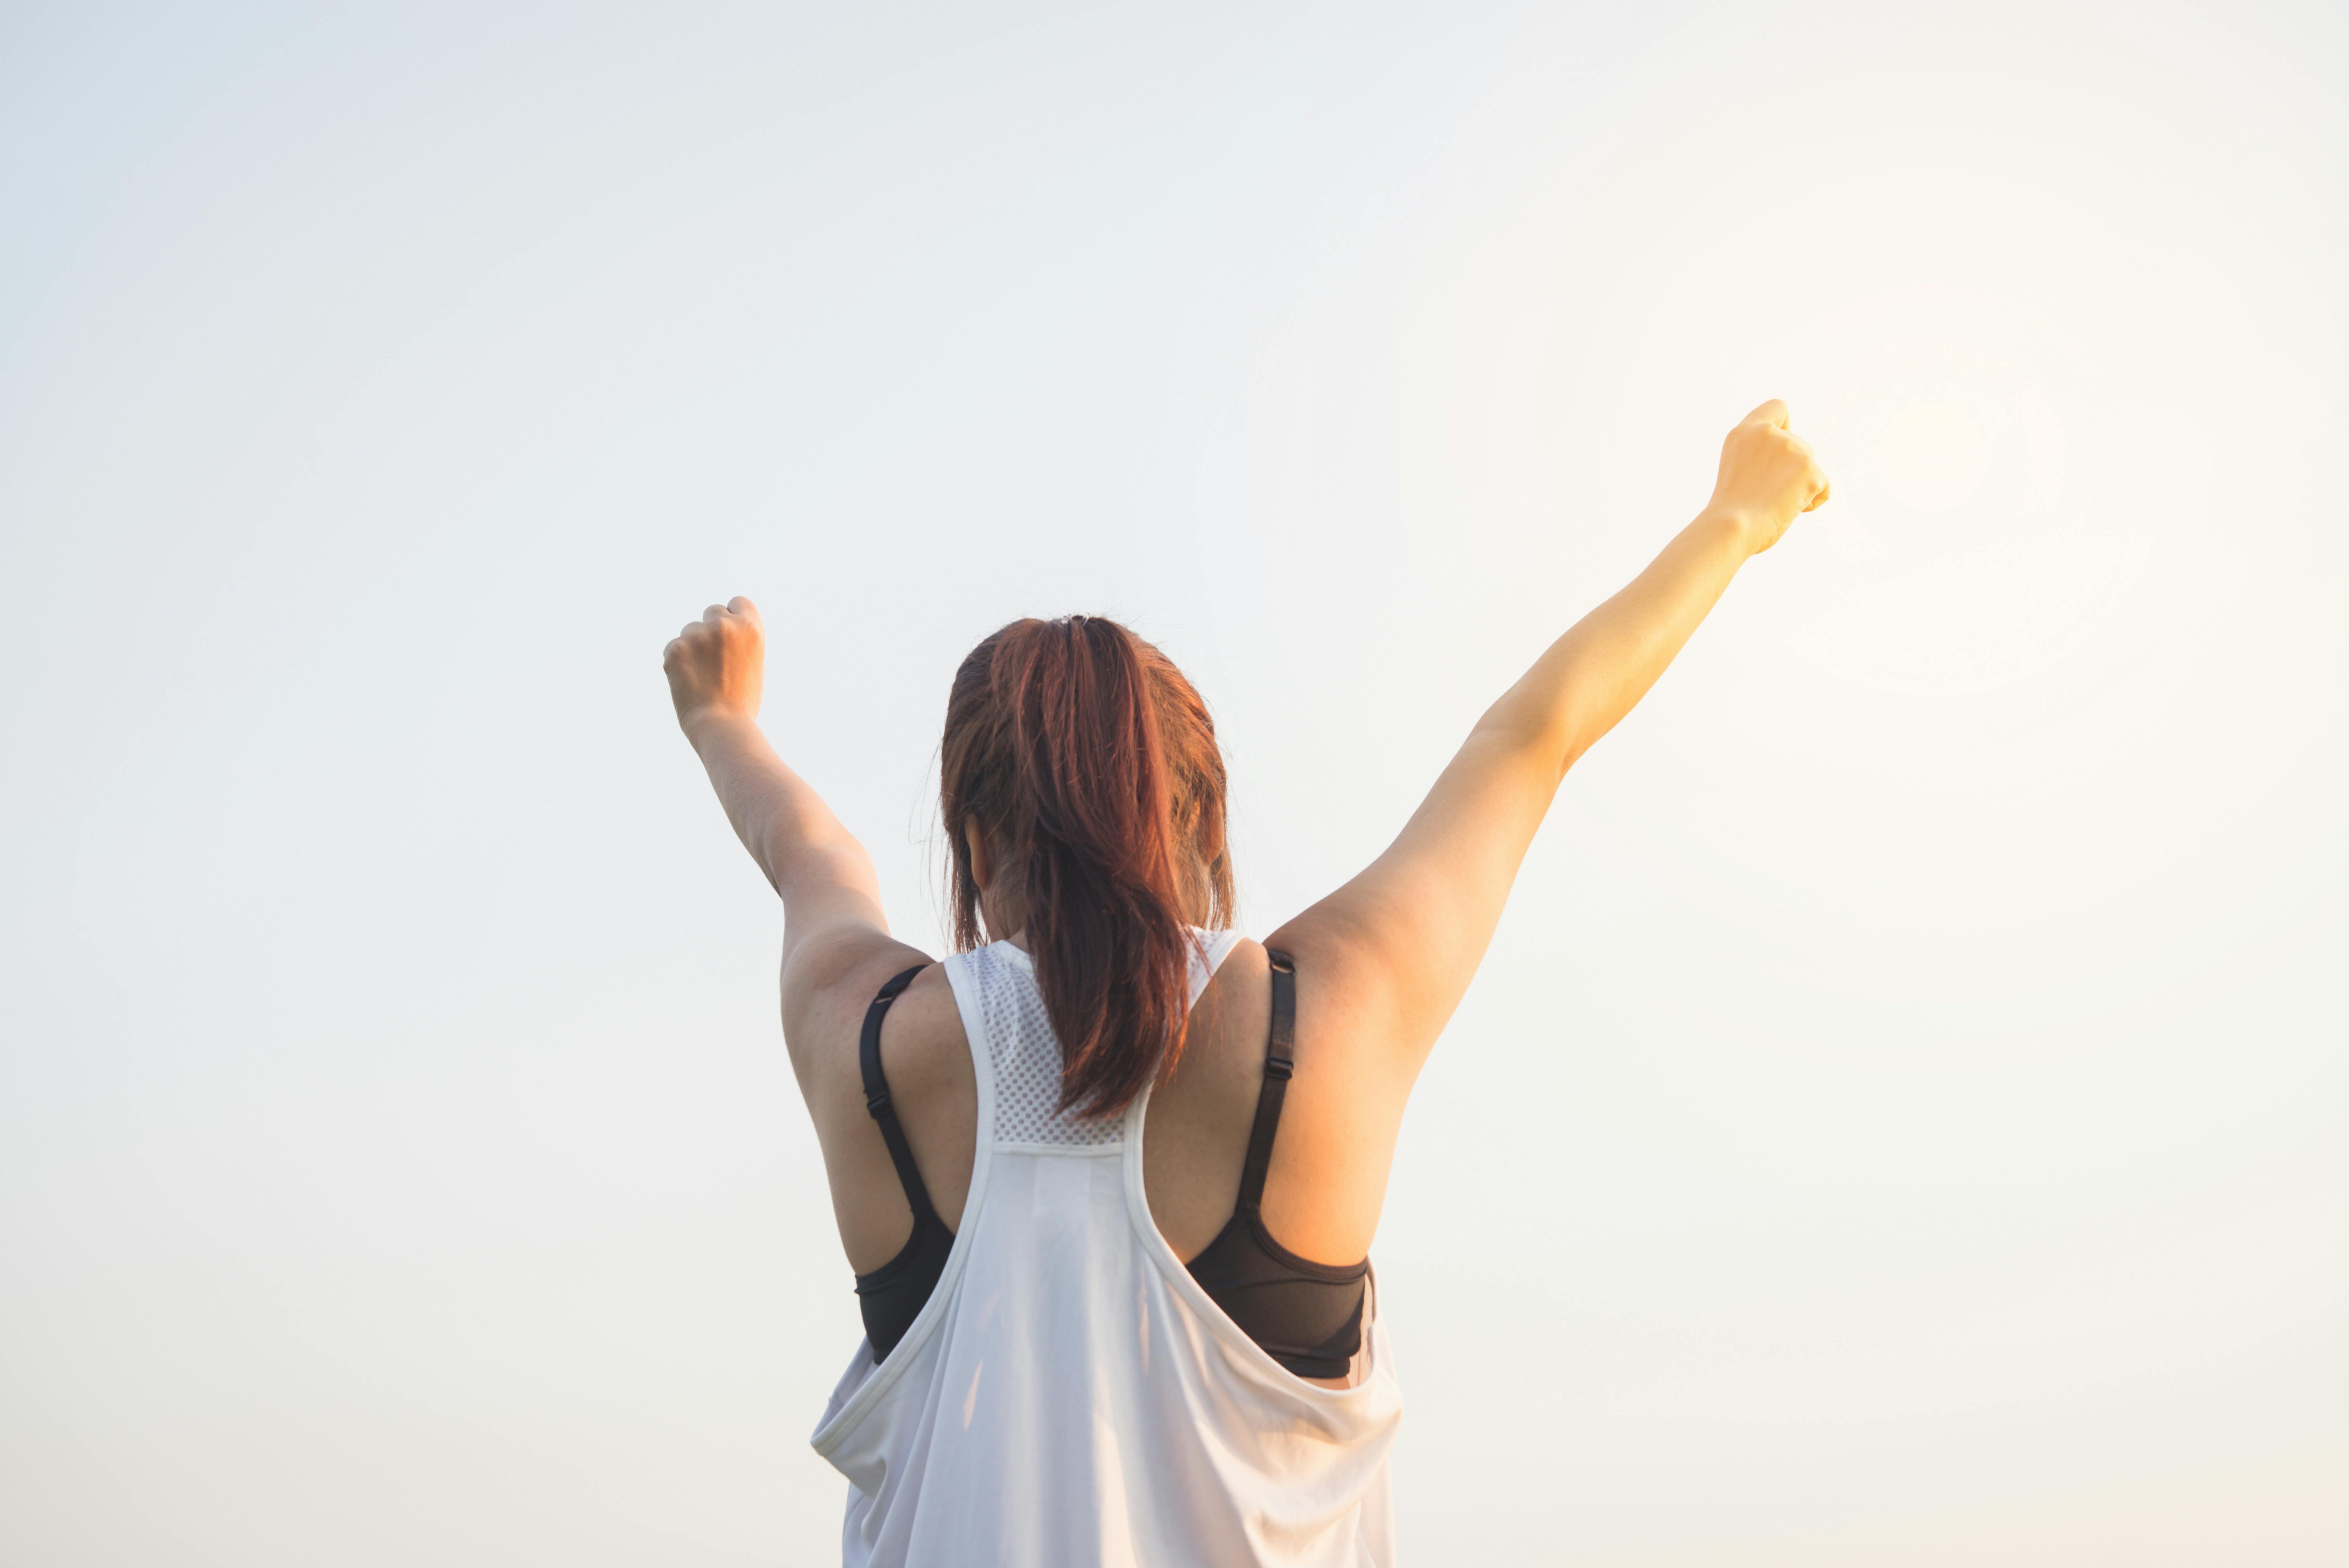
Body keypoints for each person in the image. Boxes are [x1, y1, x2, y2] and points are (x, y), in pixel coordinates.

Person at [663, 401, 1830, 1566]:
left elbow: (810, 855)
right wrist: (1734, 518)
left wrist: (722, 717)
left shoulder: (864, 1043)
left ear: (971, 843)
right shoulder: (1325, 1023)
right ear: (1204, 818)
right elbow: (1531, 738)